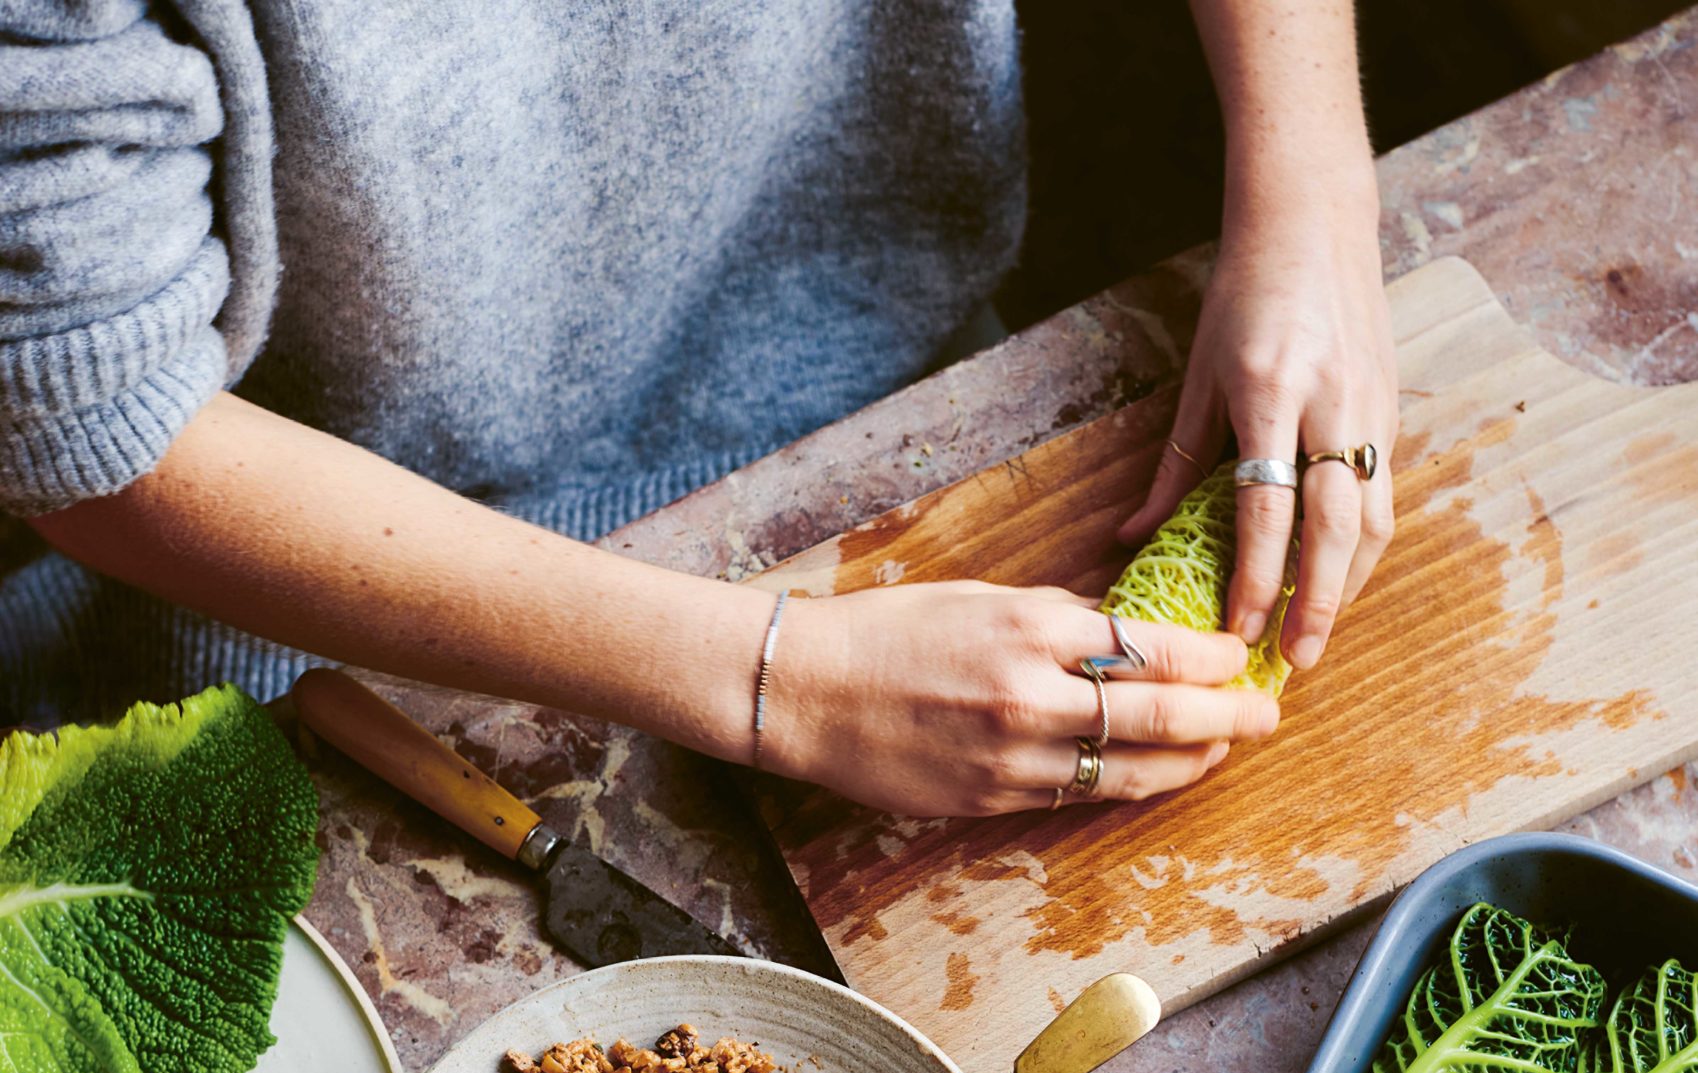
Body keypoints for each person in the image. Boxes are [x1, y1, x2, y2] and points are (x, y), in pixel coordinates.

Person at [0, 0, 1396, 817]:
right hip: (333, 616)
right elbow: (84, 411)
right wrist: (776, 682)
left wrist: (1315, 205)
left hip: (918, 400)